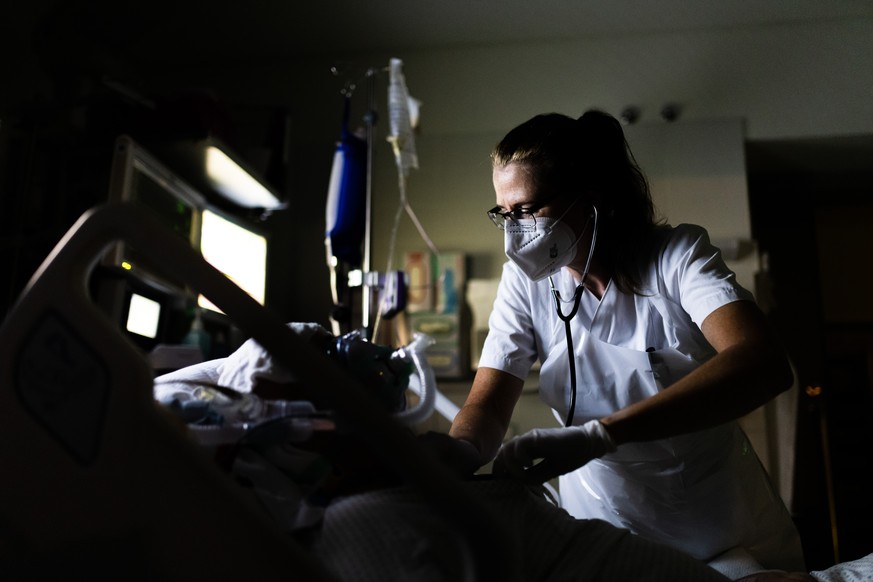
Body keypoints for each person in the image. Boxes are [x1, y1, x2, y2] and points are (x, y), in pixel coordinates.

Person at [442, 110, 806, 579]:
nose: (515, 232)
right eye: (504, 214)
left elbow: (763, 363)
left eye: (529, 210)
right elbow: (487, 406)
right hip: (601, 535)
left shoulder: (676, 257)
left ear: (590, 200)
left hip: (717, 535)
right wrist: (457, 454)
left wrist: (601, 435)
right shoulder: (526, 283)